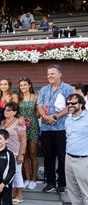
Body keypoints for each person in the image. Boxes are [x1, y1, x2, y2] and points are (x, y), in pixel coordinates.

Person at [37, 65, 74, 193]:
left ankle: (62, 184)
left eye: (52, 73)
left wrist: (55, 116)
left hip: (61, 128)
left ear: (60, 74)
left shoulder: (68, 89)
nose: (50, 76)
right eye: (48, 74)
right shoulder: (43, 89)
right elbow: (40, 105)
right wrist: (45, 117)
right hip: (46, 129)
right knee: (48, 157)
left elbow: (70, 107)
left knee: (62, 156)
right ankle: (50, 182)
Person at [63, 93, 88, 205]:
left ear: (80, 104)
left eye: (73, 103)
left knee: (86, 193)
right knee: (73, 190)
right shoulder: (68, 120)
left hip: (83, 159)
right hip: (69, 158)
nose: (70, 106)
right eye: (68, 104)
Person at [0, 102, 27, 204]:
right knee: (7, 173)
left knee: (17, 173)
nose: (6, 112)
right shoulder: (2, 122)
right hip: (4, 153)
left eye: (9, 110)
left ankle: (19, 194)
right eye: (5, 109)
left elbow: (23, 140)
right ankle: (10, 192)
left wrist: (21, 154)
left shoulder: (19, 123)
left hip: (15, 152)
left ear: (15, 112)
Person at [16, 77, 39, 190]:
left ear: (30, 85)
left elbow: (39, 111)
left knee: (33, 153)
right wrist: (20, 117)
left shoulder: (36, 96)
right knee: (24, 154)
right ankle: (27, 178)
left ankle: (34, 179)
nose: (23, 87)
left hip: (33, 126)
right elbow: (16, 112)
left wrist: (37, 115)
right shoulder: (18, 98)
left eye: (25, 85)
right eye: (21, 85)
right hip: (22, 127)